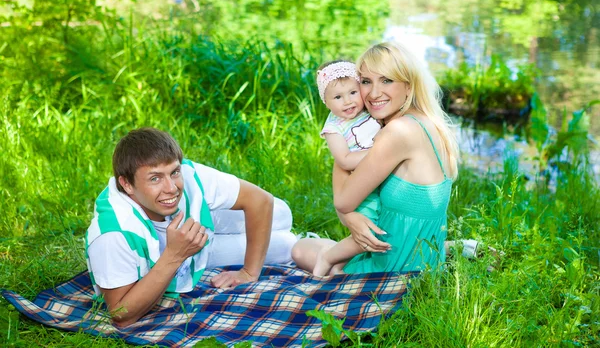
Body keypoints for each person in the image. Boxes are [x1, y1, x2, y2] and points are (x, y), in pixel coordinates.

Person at [85, 128, 296, 327]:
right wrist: (175, 256)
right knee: (288, 246)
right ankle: (306, 244)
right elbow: (121, 315)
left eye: (174, 172)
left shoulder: (189, 174)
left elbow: (261, 200)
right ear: (127, 184)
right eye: (155, 178)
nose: (171, 188)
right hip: (186, 251)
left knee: (282, 214)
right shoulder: (111, 234)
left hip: (196, 234)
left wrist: (249, 273)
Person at [293, 41, 460, 274]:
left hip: (393, 267)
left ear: (409, 87)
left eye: (387, 81)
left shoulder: (396, 132)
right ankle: (453, 248)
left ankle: (333, 261)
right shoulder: (428, 122)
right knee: (309, 247)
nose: (373, 93)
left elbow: (343, 203)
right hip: (424, 257)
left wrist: (342, 157)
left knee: (300, 249)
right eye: (365, 82)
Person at [311, 60, 381, 276]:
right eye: (338, 97)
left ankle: (338, 268)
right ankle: (327, 257)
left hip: (380, 182)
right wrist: (383, 151)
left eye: (353, 92)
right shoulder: (334, 128)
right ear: (326, 102)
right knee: (369, 233)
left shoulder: (370, 111)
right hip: (360, 189)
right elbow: (344, 159)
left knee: (382, 228)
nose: (348, 101)